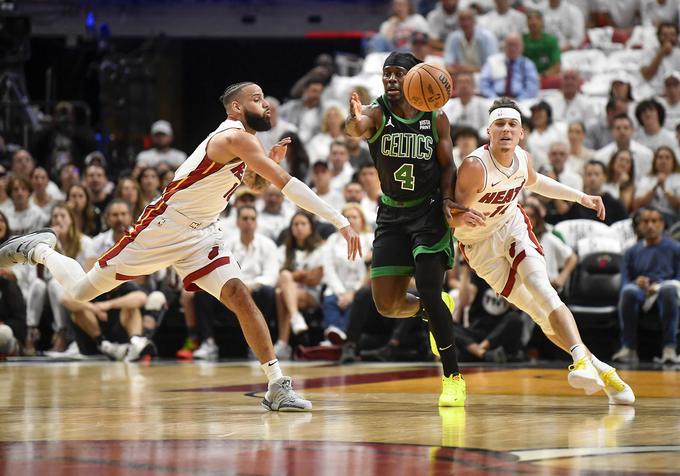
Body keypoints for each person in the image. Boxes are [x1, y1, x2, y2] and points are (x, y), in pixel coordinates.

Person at [0, 81, 362, 412]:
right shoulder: (236, 137)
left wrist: (267, 168)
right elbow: (286, 185)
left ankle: (276, 385)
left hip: (203, 234)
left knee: (240, 295)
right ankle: (41, 249)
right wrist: (340, 220)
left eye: (265, 98)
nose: (265, 104)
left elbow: (250, 185)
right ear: (235, 108)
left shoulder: (247, 143)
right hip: (162, 228)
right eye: (256, 98)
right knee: (80, 292)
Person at [452, 97, 634, 405]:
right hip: (478, 245)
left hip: (510, 226)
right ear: (489, 131)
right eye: (500, 124)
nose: (506, 130)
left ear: (521, 132)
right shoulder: (474, 167)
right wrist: (458, 220)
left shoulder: (523, 158)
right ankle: (601, 369)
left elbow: (536, 183)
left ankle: (579, 360)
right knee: (539, 314)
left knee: (542, 287)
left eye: (512, 125)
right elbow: (450, 214)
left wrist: (581, 197)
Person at [346, 52, 468, 407]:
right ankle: (434, 308)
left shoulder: (436, 117)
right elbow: (359, 127)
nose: (391, 80)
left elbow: (448, 166)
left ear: (415, 76)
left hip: (429, 212)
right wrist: (353, 123)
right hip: (392, 214)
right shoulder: (377, 112)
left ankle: (452, 377)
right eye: (387, 74)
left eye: (399, 73)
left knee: (428, 289)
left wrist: (447, 199)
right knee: (386, 304)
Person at [614, 207, 680, 365]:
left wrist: (658, 286)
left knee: (669, 289)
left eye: (654, 221)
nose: (650, 225)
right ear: (639, 225)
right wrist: (636, 282)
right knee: (628, 291)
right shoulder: (631, 251)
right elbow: (625, 281)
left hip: (666, 290)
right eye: (645, 221)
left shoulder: (675, 248)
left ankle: (669, 348)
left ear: (662, 224)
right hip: (641, 292)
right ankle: (628, 348)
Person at [479, 33, 539, 100]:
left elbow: (532, 88)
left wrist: (518, 100)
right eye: (510, 45)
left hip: (520, 101)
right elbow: (483, 84)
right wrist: (494, 98)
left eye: (515, 45)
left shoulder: (527, 64)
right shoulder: (493, 61)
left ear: (522, 47)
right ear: (504, 46)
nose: (512, 48)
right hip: (494, 100)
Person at [443, 8, 498, 75]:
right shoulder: (453, 37)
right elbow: (447, 64)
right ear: (458, 22)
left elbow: (493, 67)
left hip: (482, 76)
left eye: (469, 19)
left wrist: (467, 69)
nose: (466, 23)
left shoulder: (488, 37)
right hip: (460, 76)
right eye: (462, 19)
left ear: (475, 21)